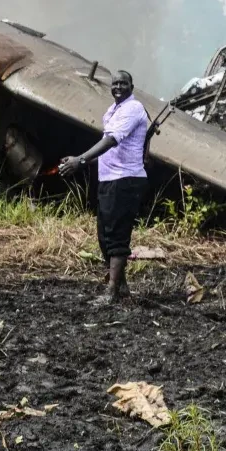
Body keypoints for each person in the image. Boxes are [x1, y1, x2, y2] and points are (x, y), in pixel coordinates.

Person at [60, 70, 149, 305]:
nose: (118, 87)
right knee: (105, 235)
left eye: (123, 83)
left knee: (117, 235)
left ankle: (110, 293)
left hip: (125, 179)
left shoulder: (132, 109)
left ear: (132, 86)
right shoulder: (113, 110)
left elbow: (110, 140)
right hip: (110, 179)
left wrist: (80, 160)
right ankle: (122, 288)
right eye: (115, 83)